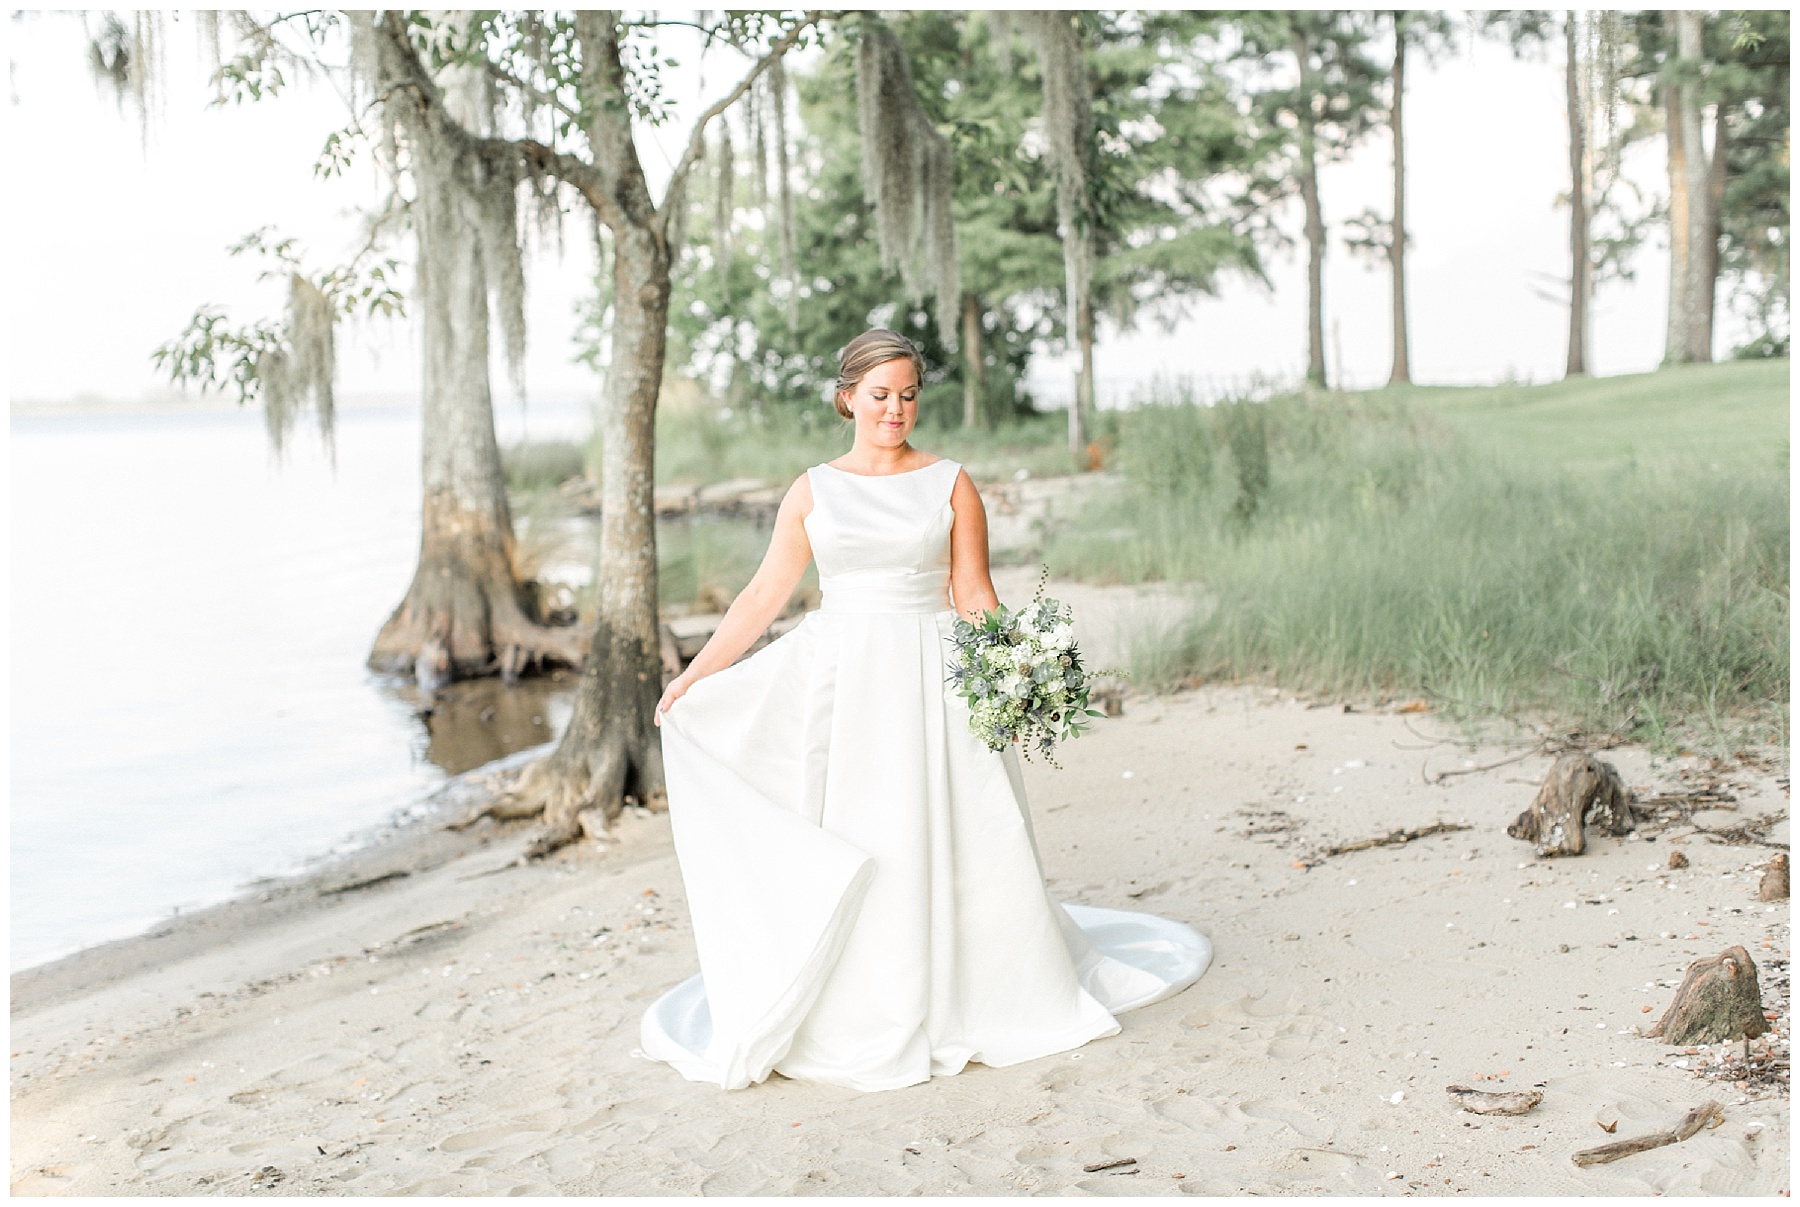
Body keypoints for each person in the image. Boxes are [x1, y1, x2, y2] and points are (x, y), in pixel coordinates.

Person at [642, 328, 1211, 1093]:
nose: (895, 410)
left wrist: (1019, 672)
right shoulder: (814, 487)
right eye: (880, 395)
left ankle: (969, 989)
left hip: (935, 678)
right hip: (847, 682)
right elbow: (761, 595)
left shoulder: (950, 482)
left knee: (957, 828)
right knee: (859, 827)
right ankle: (862, 993)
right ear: (848, 397)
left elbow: (973, 595)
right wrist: (694, 676)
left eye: (908, 395)